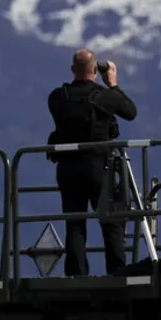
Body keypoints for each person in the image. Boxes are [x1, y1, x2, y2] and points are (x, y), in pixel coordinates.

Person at [46, 48, 138, 276]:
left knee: (75, 223)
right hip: (99, 167)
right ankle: (117, 273)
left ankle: (77, 274)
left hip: (68, 169)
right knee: (111, 222)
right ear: (96, 70)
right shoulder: (104, 96)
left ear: (71, 70)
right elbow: (130, 111)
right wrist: (113, 84)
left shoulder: (57, 97)